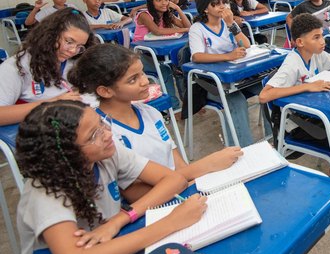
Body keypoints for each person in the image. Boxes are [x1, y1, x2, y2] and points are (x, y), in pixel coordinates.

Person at [15, 100, 207, 254]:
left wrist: (122, 219)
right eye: (93, 135)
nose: (107, 134)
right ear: (65, 155)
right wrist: (171, 223)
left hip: (111, 248)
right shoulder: (45, 192)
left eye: (101, 123)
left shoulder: (107, 153)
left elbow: (174, 180)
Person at [259, 13, 330, 244]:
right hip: (298, 126)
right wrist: (306, 87)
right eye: (316, 37)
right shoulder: (292, 63)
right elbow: (264, 95)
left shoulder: (317, 55)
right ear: (300, 42)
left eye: (322, 36)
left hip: (319, 119)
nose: (322, 41)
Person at [68, 43, 243, 182]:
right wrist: (205, 166)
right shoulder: (104, 134)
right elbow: (136, 194)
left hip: (182, 185)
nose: (145, 81)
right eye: (133, 79)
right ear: (105, 91)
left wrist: (192, 180)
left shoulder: (150, 112)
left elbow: (177, 162)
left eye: (142, 73)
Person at [189, 0, 262, 147]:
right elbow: (197, 56)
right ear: (205, 9)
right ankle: (245, 149)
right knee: (236, 101)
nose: (222, 7)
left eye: (224, 3)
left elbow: (247, 45)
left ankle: (274, 138)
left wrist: (231, 24)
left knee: (266, 88)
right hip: (211, 82)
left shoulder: (227, 23)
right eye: (216, 4)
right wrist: (228, 56)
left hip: (235, 75)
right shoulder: (197, 28)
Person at [0, 7, 96, 125]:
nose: (72, 50)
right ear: (50, 35)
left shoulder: (74, 61)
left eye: (79, 46)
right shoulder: (16, 67)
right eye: (69, 42)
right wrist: (52, 104)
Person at [134, 0, 191, 110]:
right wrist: (183, 30)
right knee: (165, 70)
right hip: (142, 55)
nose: (164, 3)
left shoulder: (167, 14)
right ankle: (174, 107)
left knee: (179, 67)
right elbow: (157, 31)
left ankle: (187, 104)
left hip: (161, 53)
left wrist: (178, 9)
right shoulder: (144, 15)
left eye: (166, 0)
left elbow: (188, 26)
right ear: (151, 2)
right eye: (158, 0)